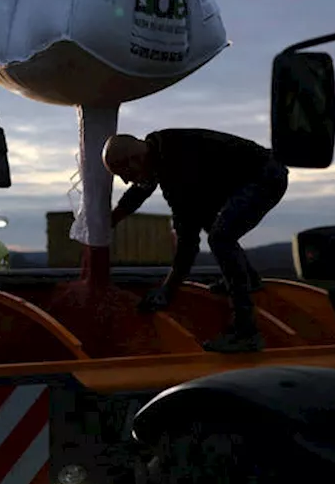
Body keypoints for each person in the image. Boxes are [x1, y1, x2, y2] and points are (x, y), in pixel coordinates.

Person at [102, 129, 289, 353]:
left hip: (264, 176)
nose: (124, 180)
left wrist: (167, 290)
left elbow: (187, 242)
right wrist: (112, 219)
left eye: (124, 173)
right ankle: (247, 279)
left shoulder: (177, 168)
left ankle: (245, 332)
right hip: (242, 177)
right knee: (212, 222)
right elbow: (143, 187)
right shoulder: (156, 150)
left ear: (136, 160)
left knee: (221, 237)